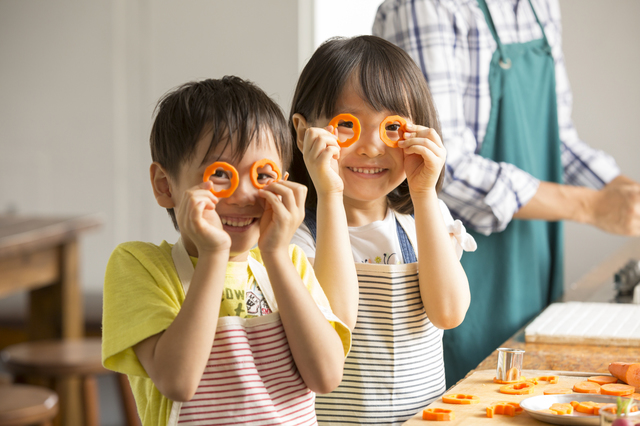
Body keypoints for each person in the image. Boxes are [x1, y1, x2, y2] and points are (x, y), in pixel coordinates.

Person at [373, 0, 640, 386]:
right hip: (464, 264)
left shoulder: (540, 5)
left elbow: (558, 139)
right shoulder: (424, 7)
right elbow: (446, 165)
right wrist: (590, 206)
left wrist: (619, 190)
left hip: (531, 256)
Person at [101, 76, 351, 426]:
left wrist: (276, 256)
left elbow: (326, 376)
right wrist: (214, 256)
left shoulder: (290, 261)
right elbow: (178, 382)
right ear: (164, 185)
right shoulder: (139, 266)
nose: (244, 194)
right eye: (221, 174)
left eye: (263, 176)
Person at [289, 35, 477, 425]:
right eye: (348, 126)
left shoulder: (424, 219)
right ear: (303, 130)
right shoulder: (295, 236)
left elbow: (448, 313)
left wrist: (425, 194)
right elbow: (335, 321)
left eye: (392, 128)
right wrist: (329, 193)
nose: (372, 147)